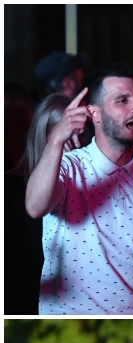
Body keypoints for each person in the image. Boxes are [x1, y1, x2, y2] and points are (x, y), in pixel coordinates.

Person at [25, 64, 133, 314]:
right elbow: (35, 207)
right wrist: (56, 139)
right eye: (123, 100)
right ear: (94, 114)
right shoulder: (68, 167)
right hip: (71, 327)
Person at [8, 93, 69, 314]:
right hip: (23, 301)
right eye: (68, 136)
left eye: (82, 136)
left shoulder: (85, 187)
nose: (78, 145)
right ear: (46, 137)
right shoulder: (11, 188)